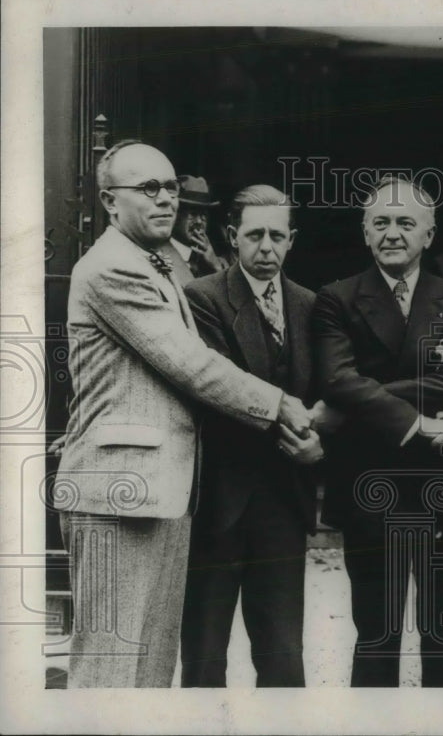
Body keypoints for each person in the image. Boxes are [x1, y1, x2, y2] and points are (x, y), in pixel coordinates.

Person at [53, 141, 313, 688]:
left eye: (170, 187)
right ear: (108, 200)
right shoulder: (112, 269)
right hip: (119, 490)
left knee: (148, 669)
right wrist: (279, 404)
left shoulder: (157, 263)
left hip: (157, 489)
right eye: (148, 188)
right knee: (111, 668)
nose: (166, 198)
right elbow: (191, 363)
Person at [311, 175, 443, 687]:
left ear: (429, 235)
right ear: (365, 232)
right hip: (370, 487)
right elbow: (336, 378)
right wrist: (420, 418)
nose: (392, 233)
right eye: (381, 222)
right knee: (376, 633)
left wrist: (371, 394)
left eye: (406, 223)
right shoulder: (336, 298)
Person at [180, 185, 332, 687]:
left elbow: (334, 389)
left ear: (292, 240)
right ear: (232, 237)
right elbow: (215, 386)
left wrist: (319, 438)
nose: (266, 248)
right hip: (220, 503)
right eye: (254, 235)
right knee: (205, 657)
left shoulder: (311, 305)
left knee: (284, 658)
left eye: (277, 236)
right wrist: (292, 416)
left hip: (284, 503)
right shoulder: (202, 298)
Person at [161, 175, 231, 283]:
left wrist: (216, 266)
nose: (199, 221)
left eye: (203, 215)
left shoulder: (219, 263)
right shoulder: (160, 258)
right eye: (193, 214)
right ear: (175, 214)